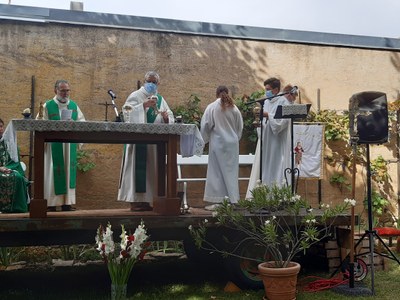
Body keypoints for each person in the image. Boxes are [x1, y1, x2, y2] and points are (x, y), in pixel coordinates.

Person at [118, 71, 174, 211]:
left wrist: (166, 118)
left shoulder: (160, 99)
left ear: (158, 84)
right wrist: (143, 106)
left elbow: (168, 115)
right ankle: (135, 202)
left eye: (154, 82)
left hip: (154, 144)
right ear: (144, 81)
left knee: (151, 173)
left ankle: (148, 201)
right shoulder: (135, 95)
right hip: (138, 143)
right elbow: (126, 112)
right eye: (149, 81)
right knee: (138, 171)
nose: (151, 84)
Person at [38, 80, 86, 212]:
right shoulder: (47, 106)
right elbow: (39, 123)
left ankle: (67, 203)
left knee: (68, 173)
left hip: (68, 145)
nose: (65, 93)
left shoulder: (74, 106)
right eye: (62, 90)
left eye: (67, 90)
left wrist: (73, 124)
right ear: (55, 91)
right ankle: (51, 204)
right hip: (53, 146)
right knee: (53, 174)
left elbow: (82, 122)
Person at [246, 78, 291, 198]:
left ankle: (276, 196)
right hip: (266, 140)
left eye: (268, 90)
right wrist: (259, 124)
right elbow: (264, 120)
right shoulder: (265, 102)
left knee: (276, 166)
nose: (266, 92)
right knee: (264, 167)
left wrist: (267, 115)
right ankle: (263, 195)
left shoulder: (284, 102)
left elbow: (283, 122)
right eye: (265, 89)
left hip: (277, 141)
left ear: (276, 89)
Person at [200, 85, 243, 210]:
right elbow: (239, 127)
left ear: (216, 94)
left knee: (217, 172)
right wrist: (235, 138)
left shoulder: (212, 107)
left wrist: (204, 140)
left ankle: (218, 201)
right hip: (232, 145)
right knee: (231, 172)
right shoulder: (234, 108)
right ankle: (232, 200)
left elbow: (205, 126)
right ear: (227, 93)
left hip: (218, 143)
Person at [0, 118, 29, 213]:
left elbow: (15, 160)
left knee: (18, 177)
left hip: (9, 169)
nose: (0, 129)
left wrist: (8, 168)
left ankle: (16, 208)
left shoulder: (9, 142)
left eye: (1, 126)